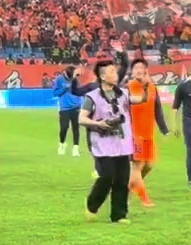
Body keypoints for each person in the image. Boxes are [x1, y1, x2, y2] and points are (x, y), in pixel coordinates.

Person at [80, 60, 134, 223]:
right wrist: (99, 124)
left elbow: (140, 99)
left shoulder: (123, 94)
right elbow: (81, 118)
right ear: (102, 76)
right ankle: (92, 205)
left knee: (122, 180)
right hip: (103, 145)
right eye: (111, 71)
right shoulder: (93, 97)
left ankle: (119, 215)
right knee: (106, 178)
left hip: (122, 144)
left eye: (115, 71)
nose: (115, 74)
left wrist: (144, 85)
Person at [125, 59, 168, 207]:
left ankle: (127, 189)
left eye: (141, 67)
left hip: (148, 133)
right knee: (137, 166)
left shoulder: (152, 88)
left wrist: (164, 129)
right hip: (134, 133)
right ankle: (144, 198)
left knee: (149, 165)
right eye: (135, 67)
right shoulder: (127, 88)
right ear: (132, 71)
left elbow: (158, 109)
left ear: (145, 70)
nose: (138, 70)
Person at [53, 64, 86, 157]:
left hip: (76, 106)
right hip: (64, 108)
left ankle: (75, 148)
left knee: (76, 128)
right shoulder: (59, 80)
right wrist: (64, 89)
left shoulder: (75, 80)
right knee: (64, 127)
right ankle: (62, 144)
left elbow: (80, 91)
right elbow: (55, 93)